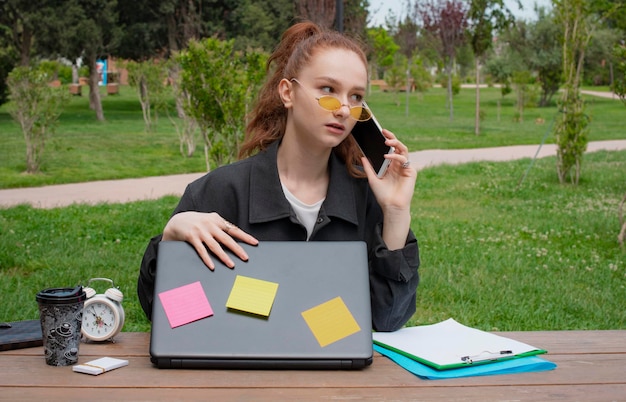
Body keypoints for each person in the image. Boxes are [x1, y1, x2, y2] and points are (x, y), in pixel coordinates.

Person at [137, 21, 420, 332]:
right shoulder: (219, 192)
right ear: (288, 92)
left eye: (356, 98)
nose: (342, 109)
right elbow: (169, 315)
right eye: (328, 90)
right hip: (240, 371)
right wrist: (171, 238)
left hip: (334, 375)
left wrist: (395, 213)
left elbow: (387, 319)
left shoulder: (365, 199)